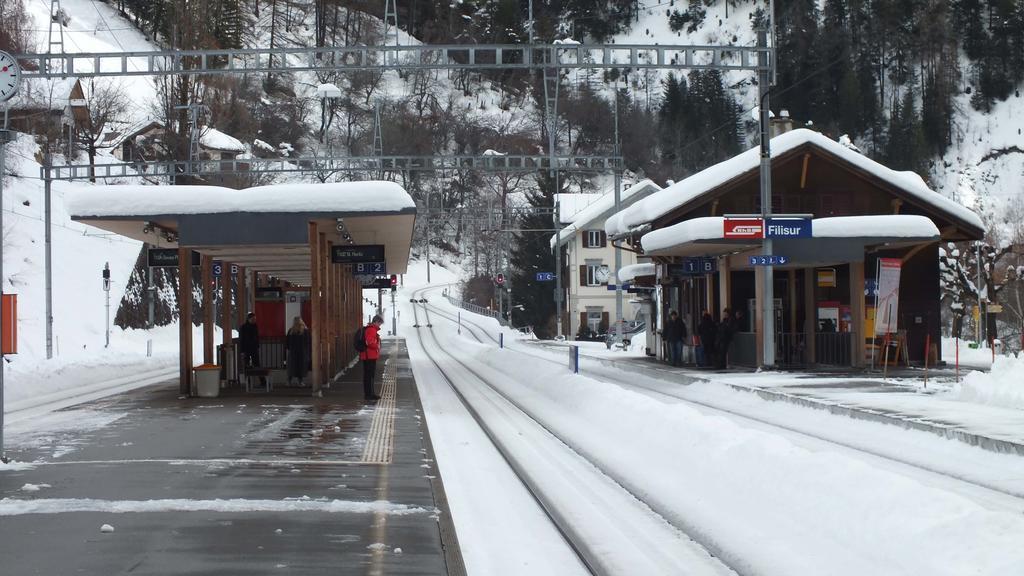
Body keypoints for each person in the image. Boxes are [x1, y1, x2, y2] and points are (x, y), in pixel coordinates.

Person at [360, 315, 385, 401]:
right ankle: (368, 395)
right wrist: (377, 346)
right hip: (369, 356)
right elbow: (369, 342)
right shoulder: (371, 330)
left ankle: (371, 394)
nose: (379, 325)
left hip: (369, 355)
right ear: (376, 322)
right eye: (379, 323)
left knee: (370, 376)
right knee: (369, 376)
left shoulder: (371, 329)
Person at [285, 316, 311, 386]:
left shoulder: (291, 331)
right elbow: (308, 342)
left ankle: (289, 381)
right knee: (301, 367)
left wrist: (289, 348)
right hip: (302, 352)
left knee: (292, 367)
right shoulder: (305, 331)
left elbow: (287, 342)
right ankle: (300, 382)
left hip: (293, 352)